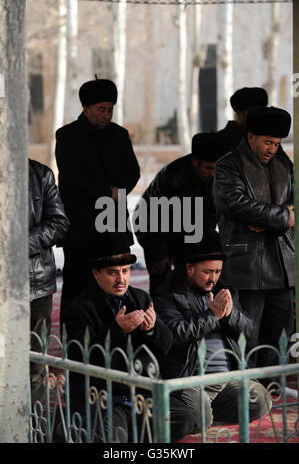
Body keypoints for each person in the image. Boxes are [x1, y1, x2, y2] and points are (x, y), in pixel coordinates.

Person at [62, 240, 195, 443]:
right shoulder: (81, 307)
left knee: (183, 419)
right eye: (112, 272)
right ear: (96, 274)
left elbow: (167, 344)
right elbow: (82, 357)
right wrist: (118, 330)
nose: (121, 279)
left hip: (140, 395)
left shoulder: (139, 297)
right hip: (104, 396)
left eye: (125, 271)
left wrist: (152, 329)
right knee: (113, 437)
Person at [153, 227, 271, 431]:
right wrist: (212, 316)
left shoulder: (224, 290)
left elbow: (249, 330)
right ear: (189, 268)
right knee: (199, 419)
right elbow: (174, 334)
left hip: (226, 377)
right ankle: (200, 408)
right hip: (191, 379)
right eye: (207, 272)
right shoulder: (168, 294)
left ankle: (210, 407)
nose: (213, 278)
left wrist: (229, 315)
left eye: (217, 272)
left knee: (261, 400)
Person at [213, 106, 295, 375]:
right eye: (268, 142)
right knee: (244, 336)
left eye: (277, 143)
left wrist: (269, 219)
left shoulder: (284, 165)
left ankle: (271, 388)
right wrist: (282, 217)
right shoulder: (228, 164)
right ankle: (243, 392)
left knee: (280, 335)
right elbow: (235, 204)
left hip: (284, 265)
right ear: (250, 137)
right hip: (246, 267)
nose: (273, 148)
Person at [55, 78, 140, 328]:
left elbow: (133, 172)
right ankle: (75, 350)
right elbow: (72, 178)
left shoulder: (119, 135)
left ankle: (112, 342)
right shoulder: (68, 136)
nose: (106, 115)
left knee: (116, 287)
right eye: (101, 109)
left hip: (113, 225)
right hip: (82, 229)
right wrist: (108, 192)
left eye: (110, 109)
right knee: (77, 287)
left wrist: (118, 191)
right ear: (86, 109)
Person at [133, 132, 229, 296]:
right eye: (208, 168)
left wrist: (203, 246)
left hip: (188, 226)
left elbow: (210, 217)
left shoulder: (216, 177)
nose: (212, 173)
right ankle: (160, 317)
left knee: (192, 274)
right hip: (151, 227)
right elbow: (158, 219)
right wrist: (160, 255)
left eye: (215, 169)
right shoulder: (173, 177)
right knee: (162, 279)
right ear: (195, 162)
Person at [29, 158, 69, 404]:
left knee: (34, 360)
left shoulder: (40, 174)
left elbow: (59, 222)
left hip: (35, 282)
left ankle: (30, 424)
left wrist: (19, 244)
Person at [217, 87, 268, 152]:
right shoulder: (220, 141)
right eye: (255, 113)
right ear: (240, 114)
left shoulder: (267, 139)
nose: (260, 117)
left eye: (263, 112)